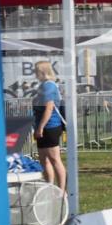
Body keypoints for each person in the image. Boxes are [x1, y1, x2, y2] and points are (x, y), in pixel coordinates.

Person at [32, 61, 66, 191]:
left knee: (54, 159)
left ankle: (62, 190)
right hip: (44, 126)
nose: (35, 74)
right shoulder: (44, 85)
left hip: (50, 126)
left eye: (36, 71)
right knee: (43, 159)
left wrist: (40, 127)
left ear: (42, 71)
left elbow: (49, 108)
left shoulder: (49, 86)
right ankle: (50, 187)